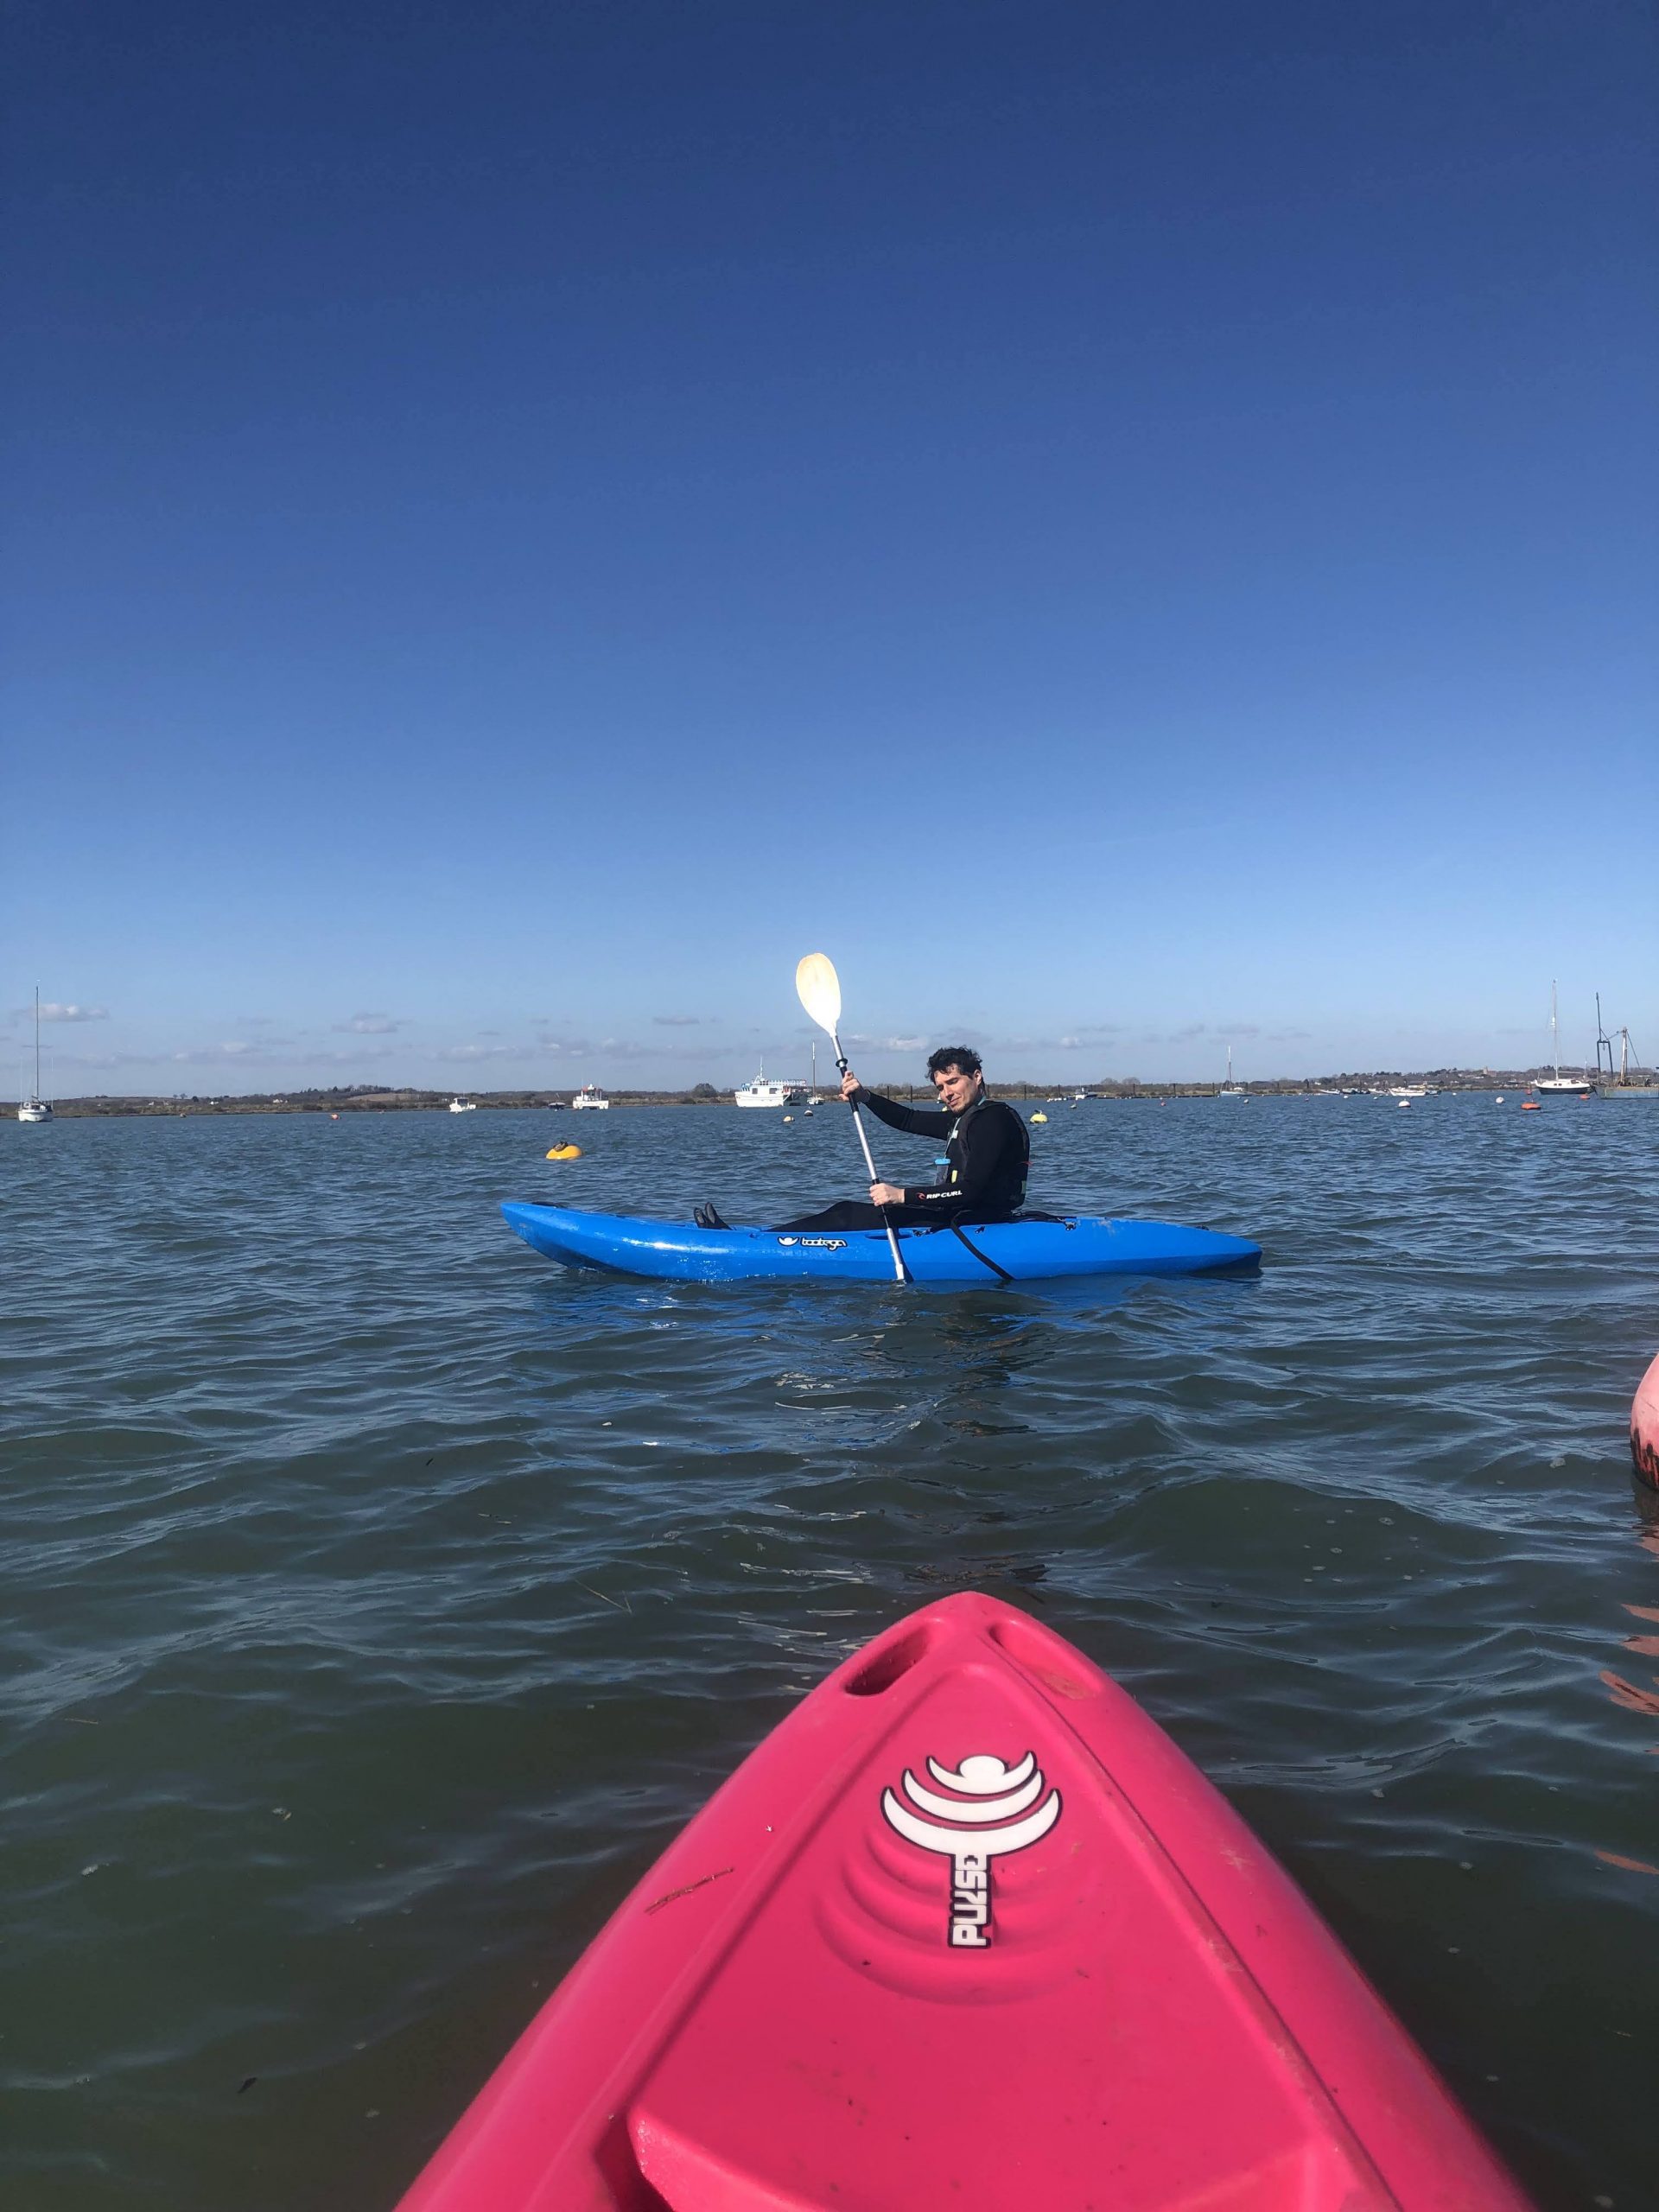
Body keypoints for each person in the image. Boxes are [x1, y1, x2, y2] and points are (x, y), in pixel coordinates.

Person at [694, 1046, 1031, 1231]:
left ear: (976, 1077)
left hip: (979, 1220)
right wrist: (866, 1096)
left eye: (953, 1082)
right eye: (940, 1087)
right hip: (962, 1213)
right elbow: (908, 1119)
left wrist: (901, 1195)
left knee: (849, 1215)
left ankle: (758, 1244)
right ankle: (759, 1238)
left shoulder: (992, 1120)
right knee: (847, 1212)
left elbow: (970, 1190)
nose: (946, 1093)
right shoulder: (965, 1120)